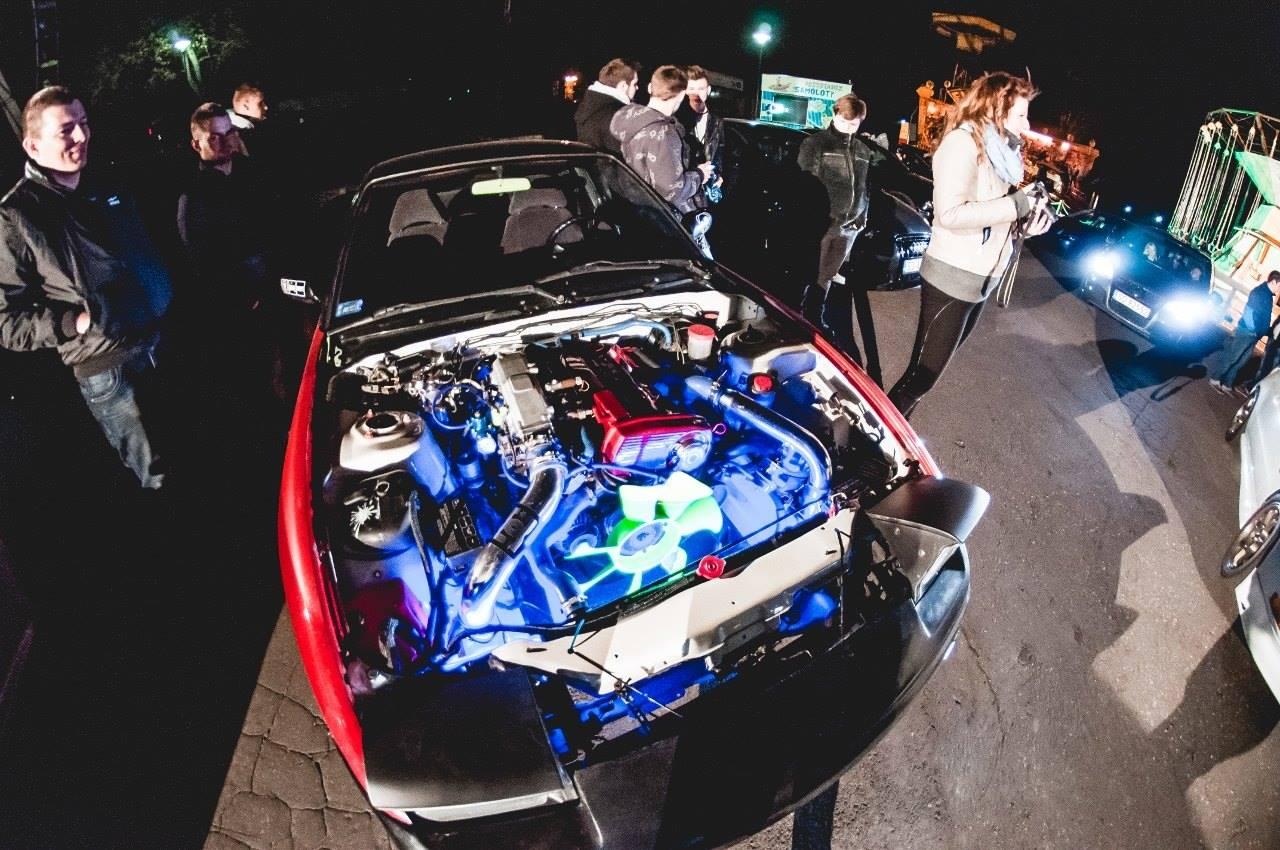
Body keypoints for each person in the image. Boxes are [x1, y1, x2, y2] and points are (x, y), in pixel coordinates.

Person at [0, 86, 173, 488]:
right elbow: (8, 322)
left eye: (83, 123)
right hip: (111, 372)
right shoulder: (17, 216)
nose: (81, 136)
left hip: (161, 343)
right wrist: (77, 321)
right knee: (163, 480)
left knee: (203, 455)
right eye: (66, 130)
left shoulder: (106, 184)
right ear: (33, 145)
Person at [886, 72, 1051, 419]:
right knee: (921, 377)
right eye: (1021, 114)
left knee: (926, 378)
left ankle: (894, 433)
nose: (1027, 123)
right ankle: (874, 440)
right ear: (995, 107)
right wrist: (1016, 204)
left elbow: (993, 217)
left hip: (980, 280)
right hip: (952, 277)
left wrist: (1025, 226)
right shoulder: (962, 144)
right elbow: (951, 214)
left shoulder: (1000, 154)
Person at [176, 102, 285, 419]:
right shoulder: (194, 197)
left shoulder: (253, 174)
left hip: (277, 290)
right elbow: (202, 262)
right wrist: (243, 296)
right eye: (214, 137)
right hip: (241, 307)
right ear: (196, 144)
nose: (224, 142)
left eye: (229, 133)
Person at [797, 93, 873, 358]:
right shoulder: (816, 143)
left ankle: (814, 315)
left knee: (827, 275)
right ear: (835, 114)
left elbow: (865, 187)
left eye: (855, 124)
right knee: (810, 272)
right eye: (846, 122)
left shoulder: (862, 150)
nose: (850, 128)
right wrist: (813, 219)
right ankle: (798, 317)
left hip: (849, 226)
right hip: (822, 223)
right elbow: (806, 184)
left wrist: (862, 217)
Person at [610, 65, 714, 254]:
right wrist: (700, 174)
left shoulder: (629, 122)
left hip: (637, 218)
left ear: (650, 88)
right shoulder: (664, 132)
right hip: (666, 226)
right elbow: (671, 190)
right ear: (681, 95)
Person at [1207, 270, 1280, 393]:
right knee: (1233, 357)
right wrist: (1255, 330)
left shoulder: (1267, 295)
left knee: (1241, 361)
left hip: (1253, 334)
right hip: (1247, 332)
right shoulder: (1259, 293)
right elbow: (1250, 313)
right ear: (1273, 282)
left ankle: (1227, 383)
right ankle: (1215, 378)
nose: (1279, 289)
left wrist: (1262, 332)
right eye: (1279, 285)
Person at [574, 59, 641, 157]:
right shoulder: (618, 114)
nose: (637, 88)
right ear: (623, 86)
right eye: (634, 84)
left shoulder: (589, 105)